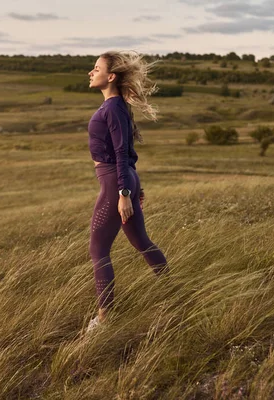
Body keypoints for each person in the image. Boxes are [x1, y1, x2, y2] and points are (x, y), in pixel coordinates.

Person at [86, 50, 169, 333]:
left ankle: (105, 319)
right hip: (123, 180)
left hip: (114, 183)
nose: (90, 72)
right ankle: (174, 292)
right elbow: (129, 153)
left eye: (96, 68)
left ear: (110, 76)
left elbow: (122, 152)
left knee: (98, 250)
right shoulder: (117, 106)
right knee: (141, 241)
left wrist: (124, 192)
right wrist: (134, 186)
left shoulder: (112, 108)